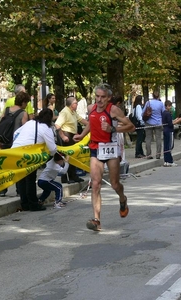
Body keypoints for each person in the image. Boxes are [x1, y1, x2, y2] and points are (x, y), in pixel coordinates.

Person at [73, 84, 135, 231]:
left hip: (111, 148)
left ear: (108, 98)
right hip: (96, 148)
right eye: (97, 96)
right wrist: (82, 135)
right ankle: (96, 220)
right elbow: (92, 123)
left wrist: (113, 128)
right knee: (95, 184)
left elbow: (131, 127)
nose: (99, 99)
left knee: (114, 184)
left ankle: (122, 198)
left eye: (103, 97)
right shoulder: (91, 108)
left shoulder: (113, 110)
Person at [12, 108, 57, 211]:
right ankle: (33, 204)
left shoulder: (30, 122)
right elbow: (53, 149)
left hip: (16, 150)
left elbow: (16, 133)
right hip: (29, 153)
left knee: (21, 178)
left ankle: (24, 203)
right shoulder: (46, 128)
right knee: (30, 178)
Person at [0, 91, 30, 197]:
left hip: (4, 141)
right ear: (24, 102)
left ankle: (3, 189)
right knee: (17, 167)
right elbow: (25, 129)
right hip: (16, 143)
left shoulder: (7, 110)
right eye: (26, 103)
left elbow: (1, 123)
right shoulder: (23, 113)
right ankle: (19, 190)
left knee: (5, 166)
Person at [55, 96, 88, 184]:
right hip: (66, 135)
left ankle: (73, 175)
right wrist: (63, 137)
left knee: (73, 156)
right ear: (71, 104)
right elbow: (57, 125)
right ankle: (66, 177)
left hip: (72, 135)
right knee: (67, 157)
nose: (77, 105)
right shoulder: (65, 112)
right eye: (76, 103)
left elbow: (81, 120)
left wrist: (91, 124)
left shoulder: (73, 112)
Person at [142, 91, 165, 159]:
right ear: (158, 96)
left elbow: (143, 112)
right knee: (158, 139)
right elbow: (163, 113)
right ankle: (158, 154)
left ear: (152, 96)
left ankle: (149, 154)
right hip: (158, 123)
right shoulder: (161, 103)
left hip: (149, 122)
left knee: (148, 138)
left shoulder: (148, 103)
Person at [162, 100, 181, 167]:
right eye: (169, 106)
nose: (170, 107)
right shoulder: (168, 113)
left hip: (165, 130)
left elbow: (168, 121)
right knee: (170, 146)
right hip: (169, 130)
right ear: (167, 106)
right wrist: (179, 121)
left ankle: (166, 161)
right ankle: (170, 161)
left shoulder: (163, 113)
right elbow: (170, 123)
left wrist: (176, 119)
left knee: (166, 146)